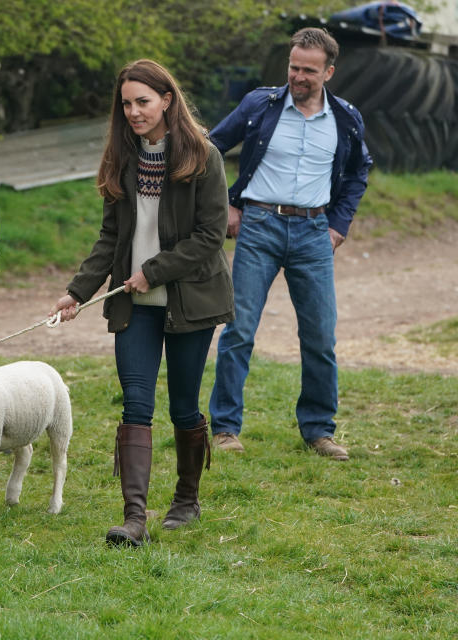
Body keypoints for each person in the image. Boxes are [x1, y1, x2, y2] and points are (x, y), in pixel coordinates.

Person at [51, 59, 234, 547]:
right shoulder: (122, 159)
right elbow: (111, 237)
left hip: (189, 300)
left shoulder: (204, 156)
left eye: (143, 102)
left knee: (182, 407)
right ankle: (135, 518)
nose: (133, 111)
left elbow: (210, 236)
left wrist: (151, 271)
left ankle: (187, 498)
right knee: (136, 403)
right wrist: (77, 292)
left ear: (167, 100)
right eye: (127, 103)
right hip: (134, 306)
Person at [206, 28, 371, 459]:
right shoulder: (259, 104)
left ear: (329, 72)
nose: (298, 76)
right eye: (294, 67)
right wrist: (225, 205)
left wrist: (339, 224)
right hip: (258, 226)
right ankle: (225, 428)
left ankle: (319, 430)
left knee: (320, 336)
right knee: (239, 329)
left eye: (309, 71)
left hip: (315, 233)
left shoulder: (346, 118)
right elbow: (210, 148)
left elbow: (358, 172)